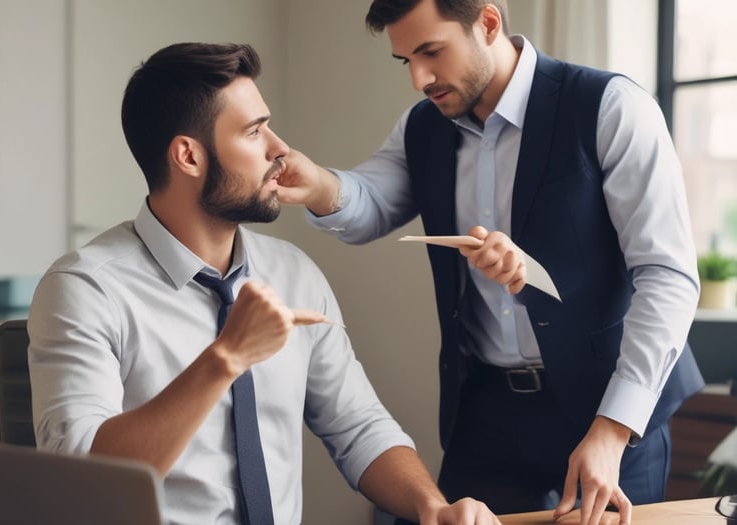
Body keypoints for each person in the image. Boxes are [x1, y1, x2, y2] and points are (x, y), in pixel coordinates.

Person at [27, 42, 502, 525]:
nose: (280, 150)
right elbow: (82, 483)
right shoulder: (85, 289)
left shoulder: (294, 273)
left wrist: (433, 508)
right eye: (254, 132)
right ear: (188, 156)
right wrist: (225, 358)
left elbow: (359, 427)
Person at [277, 1, 706, 524]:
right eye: (405, 59)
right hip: (489, 414)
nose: (419, 78)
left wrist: (613, 428)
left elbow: (667, 276)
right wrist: (317, 183)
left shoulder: (610, 105)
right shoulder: (424, 126)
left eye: (431, 51)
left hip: (611, 403)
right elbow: (371, 205)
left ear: (487, 22)